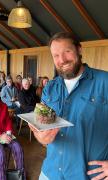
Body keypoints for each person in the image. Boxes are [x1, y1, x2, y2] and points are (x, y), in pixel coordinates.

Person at [30, 32, 108, 180]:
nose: (62, 60)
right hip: (50, 172)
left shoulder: (104, 82)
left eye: (67, 52)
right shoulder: (50, 88)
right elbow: (40, 127)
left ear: (79, 50)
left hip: (89, 175)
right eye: (56, 56)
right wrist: (42, 138)